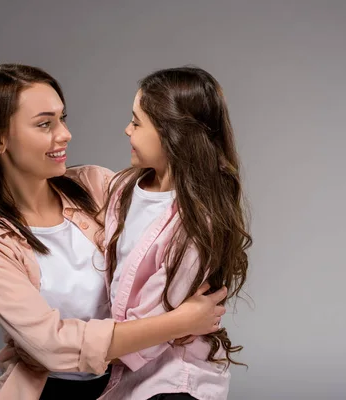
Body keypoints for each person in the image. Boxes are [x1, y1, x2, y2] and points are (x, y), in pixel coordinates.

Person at [0, 63, 228, 400]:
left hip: (137, 379)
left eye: (62, 119)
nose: (65, 134)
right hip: (54, 390)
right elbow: (53, 347)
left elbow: (172, 228)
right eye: (45, 124)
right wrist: (181, 323)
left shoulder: (100, 185)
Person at [100, 67, 252, 400]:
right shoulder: (122, 188)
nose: (127, 130)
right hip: (120, 364)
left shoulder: (198, 222)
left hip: (171, 376)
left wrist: (86, 350)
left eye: (137, 122)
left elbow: (157, 318)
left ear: (172, 133)